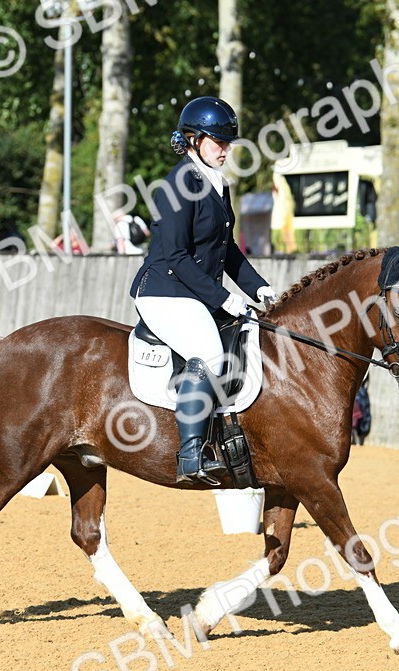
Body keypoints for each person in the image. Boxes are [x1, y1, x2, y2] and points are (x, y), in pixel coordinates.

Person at [128, 96, 277, 486]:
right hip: (164, 291)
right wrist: (223, 298)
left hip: (194, 292)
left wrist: (259, 289)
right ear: (193, 139)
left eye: (228, 143)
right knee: (209, 352)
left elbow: (227, 251)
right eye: (218, 142)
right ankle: (190, 455)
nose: (225, 150)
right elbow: (176, 256)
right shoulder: (177, 185)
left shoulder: (217, 183)